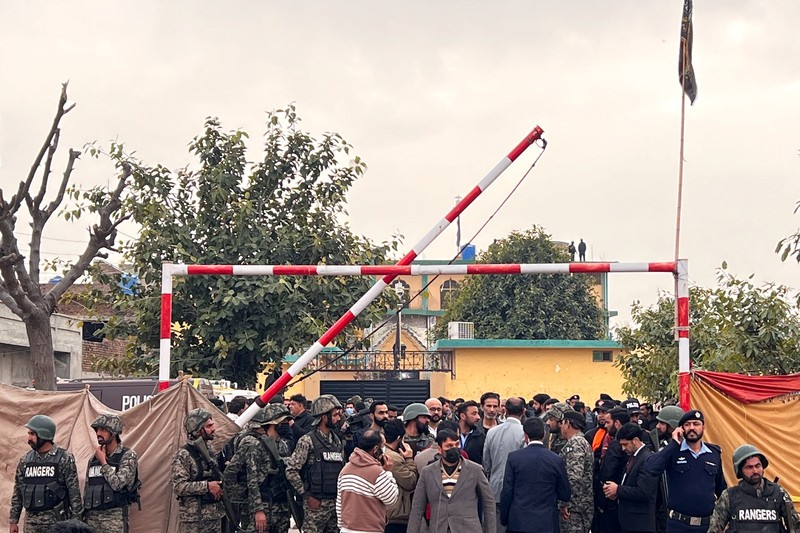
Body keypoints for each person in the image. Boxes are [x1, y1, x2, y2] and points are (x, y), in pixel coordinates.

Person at [644, 410, 726, 533]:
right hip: (678, 525)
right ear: (681, 429)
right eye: (687, 424)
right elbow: (650, 468)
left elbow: (721, 489)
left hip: (707, 526)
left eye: (696, 424)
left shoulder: (713, 453)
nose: (692, 428)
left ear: (703, 427)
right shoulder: (673, 451)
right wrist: (673, 444)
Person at [407, 429, 496, 533]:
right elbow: (417, 509)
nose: (454, 448)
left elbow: (489, 503)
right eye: (449, 446)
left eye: (457, 444)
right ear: (439, 449)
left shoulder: (475, 470)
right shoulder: (427, 472)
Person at [223, 404, 293, 533]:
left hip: (280, 508)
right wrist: (257, 510)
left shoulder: (281, 445)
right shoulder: (255, 444)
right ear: (274, 424)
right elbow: (252, 480)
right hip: (261, 508)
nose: (286, 425)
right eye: (283, 422)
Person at [9, 415, 84, 533]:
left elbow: (74, 493)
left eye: (32, 434)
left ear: (44, 435)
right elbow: (18, 492)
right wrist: (14, 521)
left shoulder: (64, 458)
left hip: (56, 524)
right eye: (29, 433)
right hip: (31, 524)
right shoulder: (25, 460)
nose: (28, 438)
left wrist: (76, 523)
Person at [285, 395, 345, 533]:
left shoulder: (336, 442)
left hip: (335, 504)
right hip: (315, 505)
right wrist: (306, 495)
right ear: (324, 417)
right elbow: (291, 470)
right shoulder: (307, 441)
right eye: (334, 415)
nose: (337, 419)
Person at [500, 417, 570, 533]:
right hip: (546, 522)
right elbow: (565, 494)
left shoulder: (514, 458)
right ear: (543, 435)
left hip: (519, 522)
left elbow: (507, 491)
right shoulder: (556, 460)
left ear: (525, 435)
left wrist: (504, 518)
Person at [707, 444, 799, 533]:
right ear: (740, 470)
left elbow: (796, 527)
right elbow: (714, 529)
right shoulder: (729, 496)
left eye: (757, 466)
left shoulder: (779, 493)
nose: (755, 471)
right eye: (749, 467)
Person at [83, 414, 139, 533]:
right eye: (97, 430)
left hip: (114, 521)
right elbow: (88, 489)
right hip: (91, 521)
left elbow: (118, 484)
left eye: (103, 430)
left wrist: (103, 462)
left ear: (113, 433)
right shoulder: (93, 459)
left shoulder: (127, 456)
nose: (98, 433)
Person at [171, 408, 224, 533]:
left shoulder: (209, 451)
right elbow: (178, 486)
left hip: (214, 516)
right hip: (194, 521)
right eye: (209, 426)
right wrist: (207, 486)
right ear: (198, 431)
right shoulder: (184, 454)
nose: (214, 428)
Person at [336, 429, 398, 533]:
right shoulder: (377, 472)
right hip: (370, 529)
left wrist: (342, 527)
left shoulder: (345, 470)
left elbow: (340, 503)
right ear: (376, 449)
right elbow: (391, 498)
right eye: (383, 445)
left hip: (347, 528)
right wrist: (388, 472)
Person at [603, 423, 658, 533]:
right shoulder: (634, 457)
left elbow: (644, 491)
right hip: (629, 521)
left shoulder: (647, 459)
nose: (623, 449)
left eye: (625, 444)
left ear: (636, 440)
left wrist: (618, 489)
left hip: (640, 524)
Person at [483, 397, 526, 533]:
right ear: (524, 411)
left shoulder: (492, 432)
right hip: (518, 490)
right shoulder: (524, 433)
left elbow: (486, 464)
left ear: (505, 410)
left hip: (495, 488)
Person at [651, 406, 685, 533]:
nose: (658, 426)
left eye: (662, 423)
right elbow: (651, 467)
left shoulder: (688, 448)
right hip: (664, 508)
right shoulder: (665, 446)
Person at [559, 410, 594, 533]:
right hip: (578, 506)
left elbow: (574, 477)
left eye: (562, 423)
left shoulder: (576, 444)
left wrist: (565, 503)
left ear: (568, 423)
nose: (560, 427)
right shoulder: (580, 442)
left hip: (575, 509)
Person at [383, 419, 418, 533]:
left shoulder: (379, 451)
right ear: (399, 438)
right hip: (395, 514)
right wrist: (409, 459)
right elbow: (410, 482)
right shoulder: (394, 458)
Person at [457, 400, 486, 465]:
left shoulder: (481, 437)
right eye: (474, 414)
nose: (478, 417)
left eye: (478, 413)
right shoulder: (451, 435)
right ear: (463, 416)